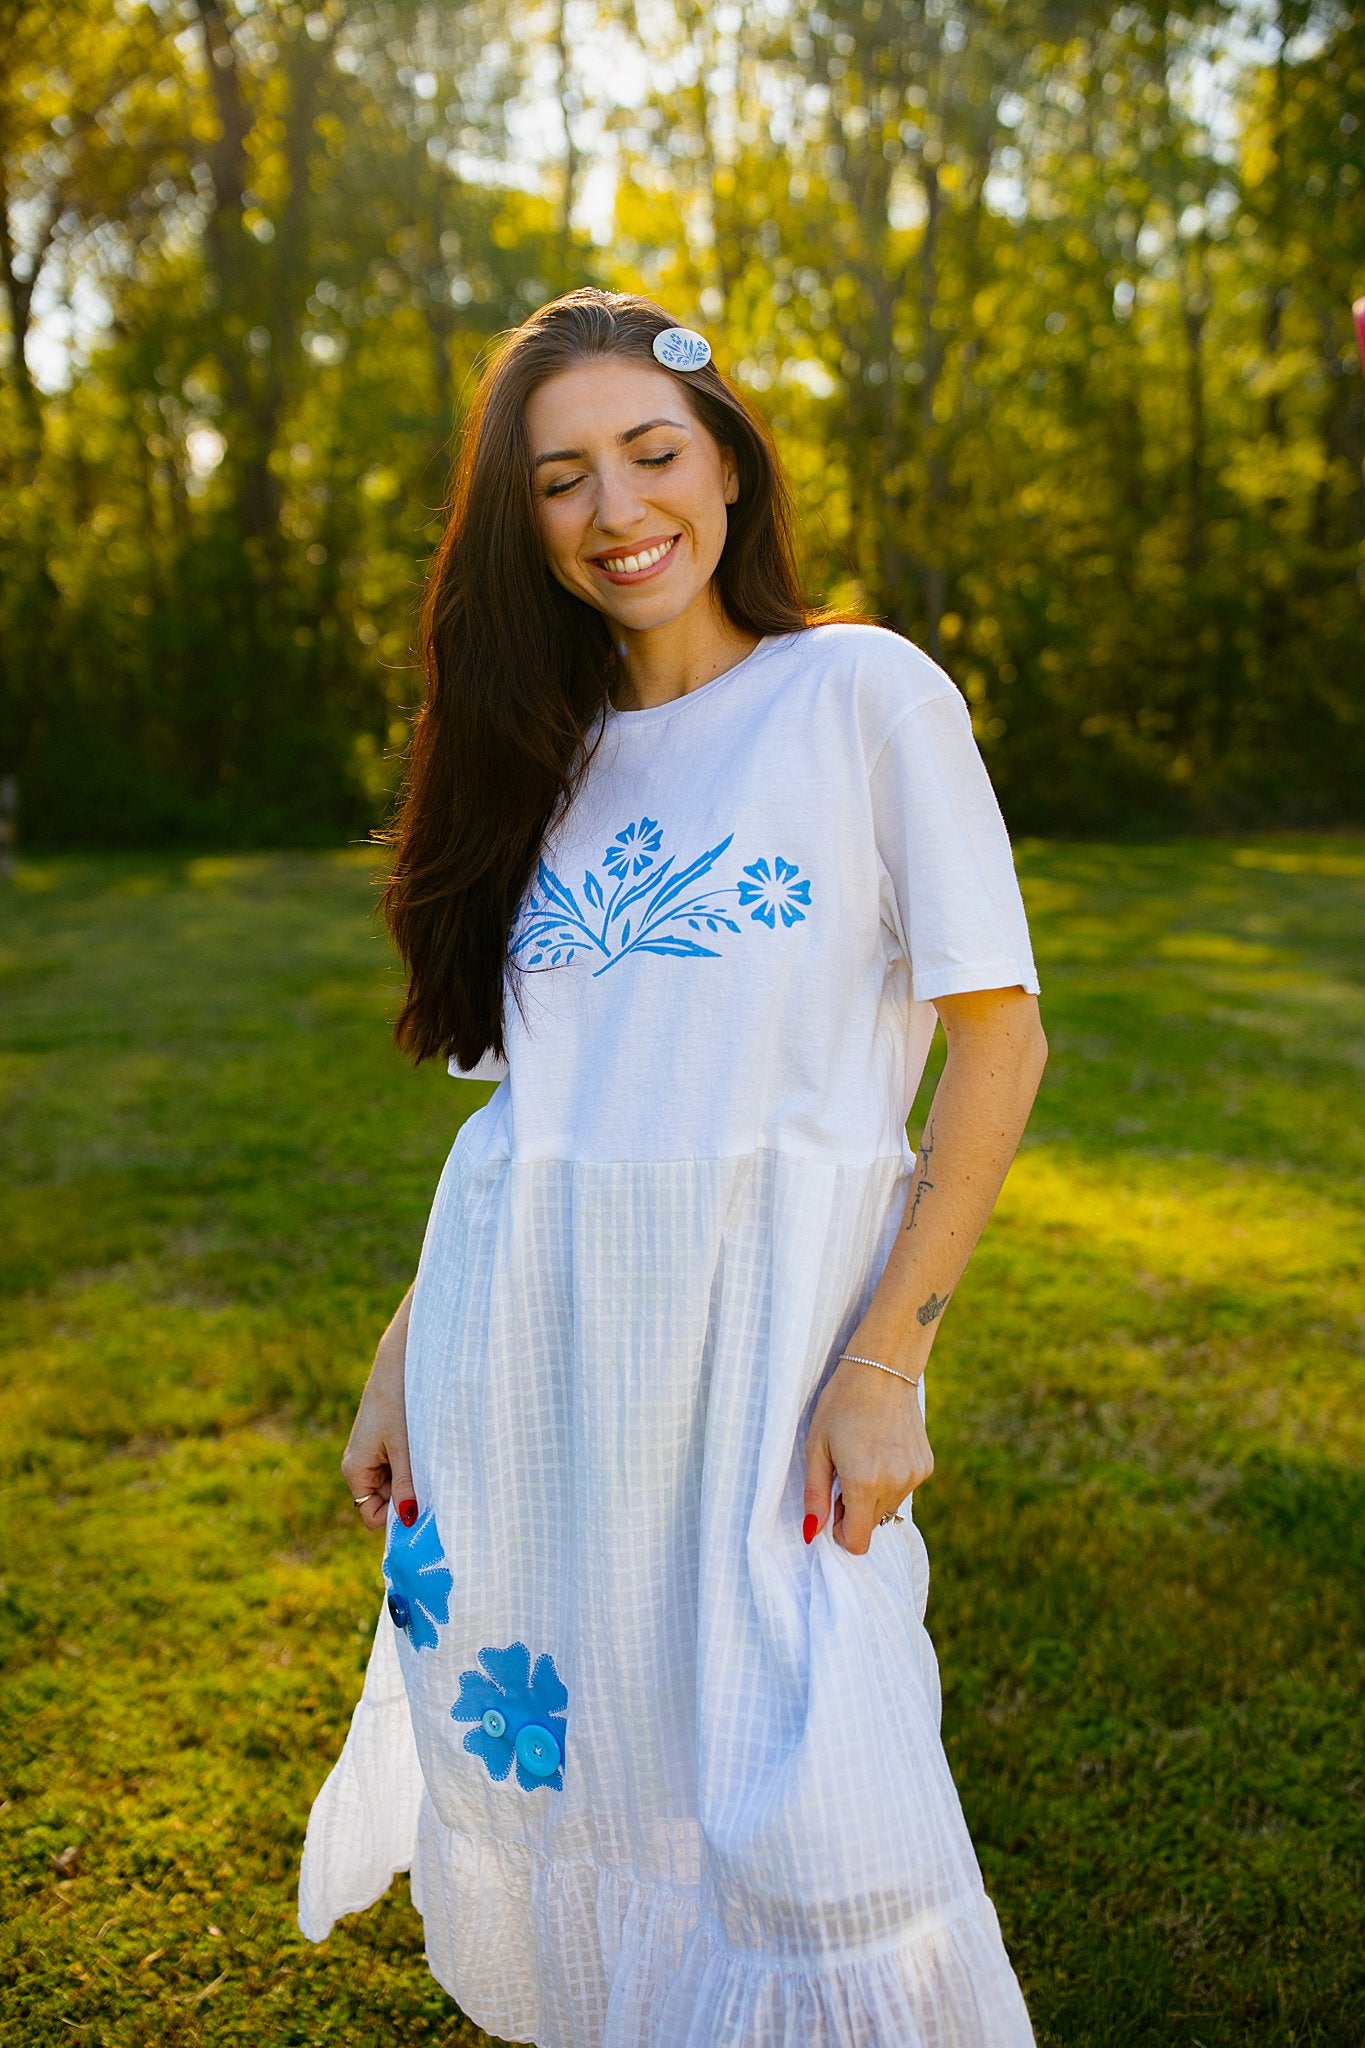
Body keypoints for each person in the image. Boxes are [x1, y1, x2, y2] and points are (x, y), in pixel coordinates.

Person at [298, 286, 1047, 2047]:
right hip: (534, 1376)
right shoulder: (533, 767)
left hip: (770, 1368)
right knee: (599, 1799)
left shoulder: (860, 692)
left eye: (653, 454)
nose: (618, 512)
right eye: (561, 479)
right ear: (517, 519)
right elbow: (524, 1128)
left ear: (726, 467)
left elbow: (997, 1041)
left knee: (820, 1813)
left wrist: (888, 1362)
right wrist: (403, 1357)